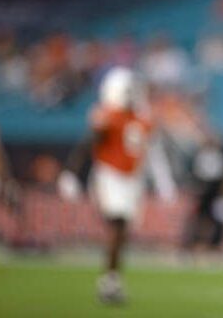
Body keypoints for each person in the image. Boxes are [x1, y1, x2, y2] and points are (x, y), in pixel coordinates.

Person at [90, 67, 152, 304]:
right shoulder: (109, 116)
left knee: (123, 230)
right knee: (117, 225)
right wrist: (74, 171)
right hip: (111, 175)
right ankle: (109, 282)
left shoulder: (141, 118)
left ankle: (112, 279)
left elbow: (142, 150)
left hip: (131, 179)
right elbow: (94, 142)